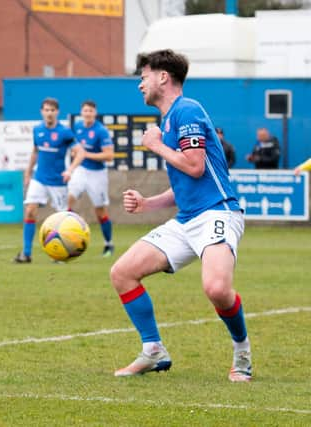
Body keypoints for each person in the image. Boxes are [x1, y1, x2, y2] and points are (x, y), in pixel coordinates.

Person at [110, 49, 251, 382]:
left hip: (218, 213)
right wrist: (149, 203)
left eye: (143, 76)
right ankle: (153, 350)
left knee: (216, 289)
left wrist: (156, 145)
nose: (139, 84)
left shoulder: (186, 111)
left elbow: (195, 165)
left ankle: (242, 352)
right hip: (187, 219)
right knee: (122, 272)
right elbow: (187, 183)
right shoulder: (170, 118)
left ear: (163, 77)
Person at [13, 98, 85, 263]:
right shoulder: (37, 130)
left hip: (58, 182)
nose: (49, 113)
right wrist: (28, 172)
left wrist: (70, 170)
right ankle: (26, 253)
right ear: (42, 111)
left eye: (52, 110)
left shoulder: (65, 132)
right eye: (46, 110)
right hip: (39, 178)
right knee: (30, 210)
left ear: (57, 112)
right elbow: (35, 152)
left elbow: (80, 153)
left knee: (62, 219)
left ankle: (62, 253)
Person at [67, 100, 115, 257]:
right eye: (85, 111)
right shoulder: (78, 127)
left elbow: (109, 156)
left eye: (90, 111)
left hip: (97, 174)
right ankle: (65, 238)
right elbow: (74, 149)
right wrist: (75, 156)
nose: (87, 113)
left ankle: (108, 245)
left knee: (100, 211)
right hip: (81, 170)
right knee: (69, 198)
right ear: (81, 112)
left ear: (95, 113)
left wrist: (86, 154)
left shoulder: (101, 131)